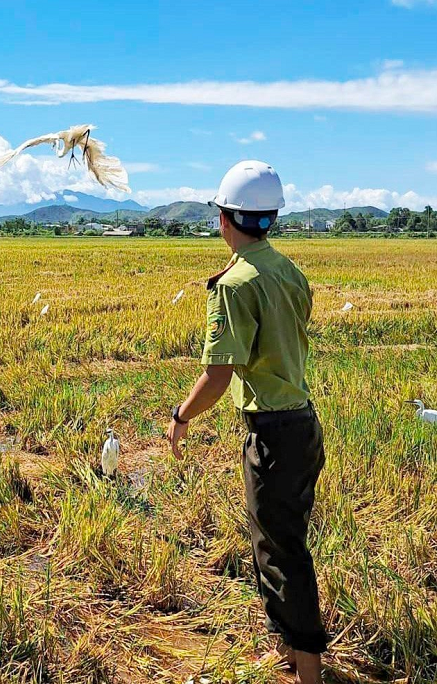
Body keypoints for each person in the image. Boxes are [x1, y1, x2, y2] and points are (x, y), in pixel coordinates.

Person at [167, 161, 328, 684]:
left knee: (281, 554)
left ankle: (307, 669)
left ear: (225, 219)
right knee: (282, 541)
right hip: (304, 425)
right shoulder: (289, 270)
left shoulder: (234, 285)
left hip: (273, 436)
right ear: (270, 218)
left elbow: (218, 374)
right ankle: (290, 652)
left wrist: (181, 416)